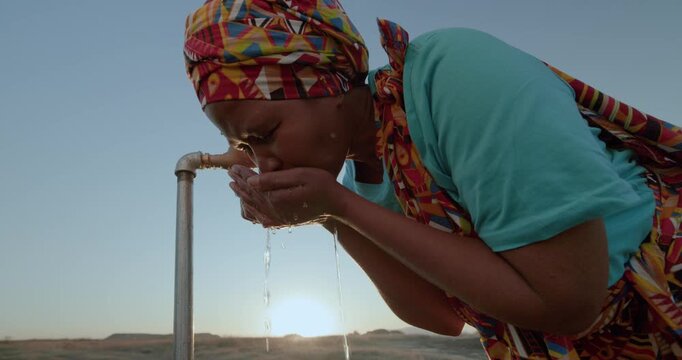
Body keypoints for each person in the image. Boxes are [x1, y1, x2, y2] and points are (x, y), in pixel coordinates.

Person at [183, 0, 681, 358]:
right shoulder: (361, 179)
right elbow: (443, 318)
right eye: (246, 149)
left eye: (266, 133)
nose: (264, 162)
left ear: (328, 81)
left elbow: (566, 299)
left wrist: (343, 206)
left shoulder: (453, 76)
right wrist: (331, 215)